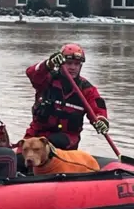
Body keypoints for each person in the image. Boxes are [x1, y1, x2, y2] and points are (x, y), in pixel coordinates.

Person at [17, 43, 109, 171]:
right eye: (69, 63)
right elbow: (32, 73)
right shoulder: (47, 79)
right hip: (36, 136)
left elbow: (98, 108)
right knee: (17, 160)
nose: (73, 67)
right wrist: (48, 64)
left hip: (67, 139)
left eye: (76, 64)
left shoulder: (87, 89)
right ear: (61, 63)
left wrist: (101, 120)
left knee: (56, 142)